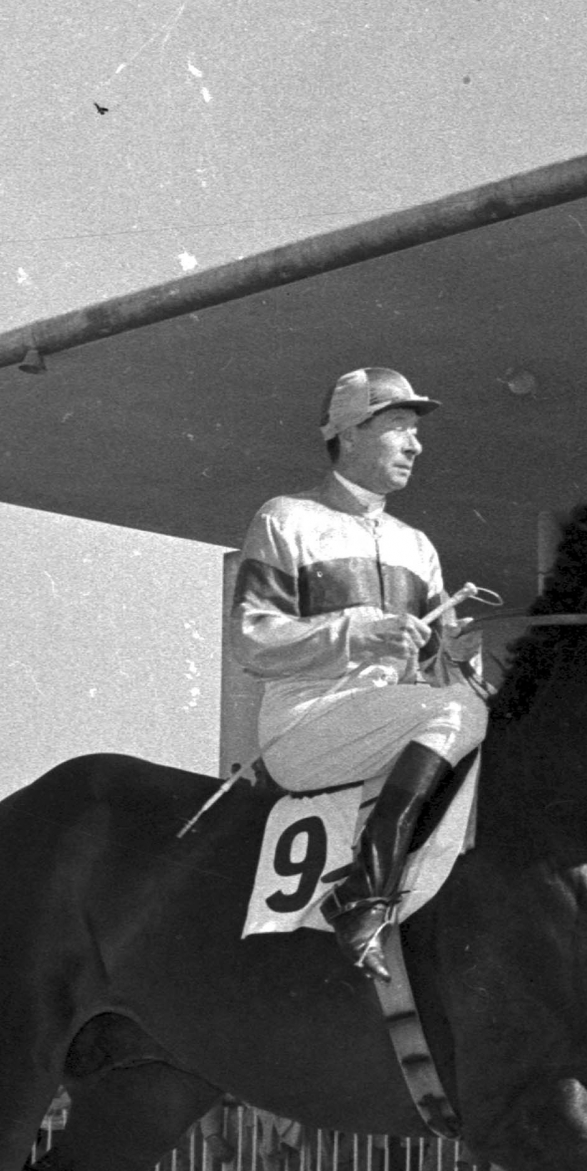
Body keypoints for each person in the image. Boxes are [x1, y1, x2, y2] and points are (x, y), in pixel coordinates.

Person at [229, 367, 486, 979]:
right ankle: (363, 892)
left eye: (415, 431)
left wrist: (456, 650)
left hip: (392, 722)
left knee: (473, 708)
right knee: (460, 712)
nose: (415, 445)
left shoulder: (417, 545)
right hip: (306, 724)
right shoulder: (285, 518)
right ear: (349, 435)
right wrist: (357, 633)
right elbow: (252, 640)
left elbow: (427, 666)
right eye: (399, 427)